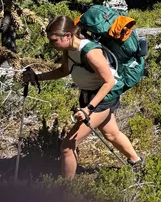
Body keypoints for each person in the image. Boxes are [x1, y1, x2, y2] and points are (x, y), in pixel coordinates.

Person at [22, 14, 142, 178]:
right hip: (90, 95)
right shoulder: (68, 49)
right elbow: (63, 71)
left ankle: (65, 190)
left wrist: (88, 108)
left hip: (103, 98)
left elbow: (109, 82)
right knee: (111, 134)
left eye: (54, 40)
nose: (51, 44)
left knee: (67, 146)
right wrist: (38, 77)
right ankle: (137, 162)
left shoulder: (90, 52)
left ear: (68, 35)